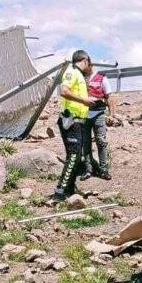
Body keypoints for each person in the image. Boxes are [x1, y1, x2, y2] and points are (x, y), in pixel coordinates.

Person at [52, 50, 94, 202]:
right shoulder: (72, 72)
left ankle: (69, 188)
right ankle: (60, 191)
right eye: (89, 62)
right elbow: (64, 91)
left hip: (79, 121)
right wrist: (84, 101)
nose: (89, 65)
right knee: (74, 156)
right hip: (71, 120)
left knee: (77, 157)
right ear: (84, 59)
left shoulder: (79, 75)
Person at [83, 70, 117, 180]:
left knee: (101, 141)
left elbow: (109, 97)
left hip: (98, 113)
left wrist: (112, 115)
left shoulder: (101, 78)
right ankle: (88, 170)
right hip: (82, 114)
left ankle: (104, 170)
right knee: (85, 143)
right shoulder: (78, 78)